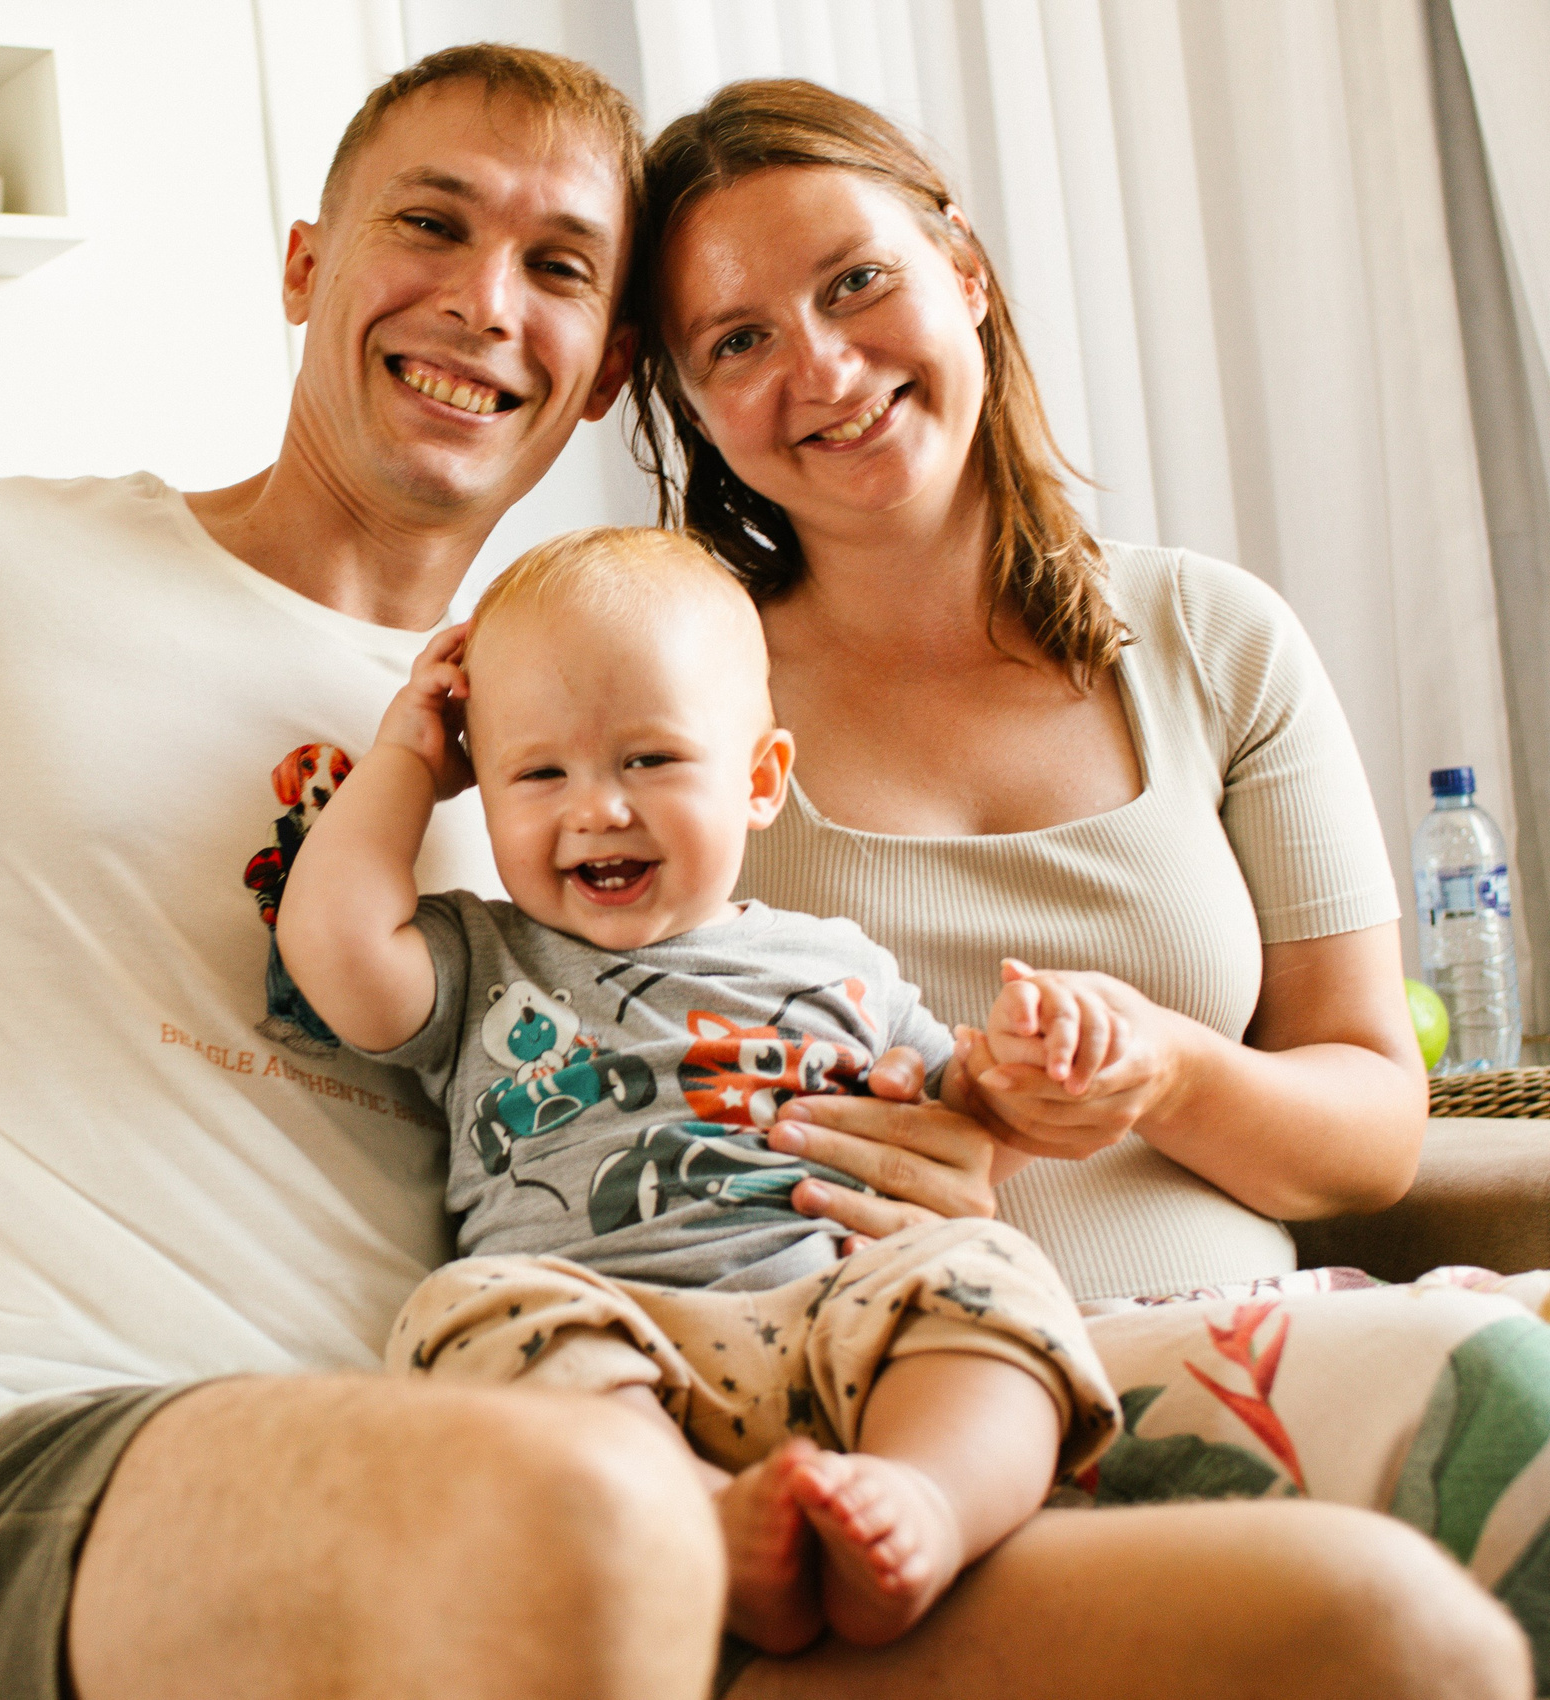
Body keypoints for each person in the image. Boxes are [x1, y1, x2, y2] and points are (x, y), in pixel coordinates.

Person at [0, 46, 1529, 1700]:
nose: (483, 301)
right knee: (578, 1520)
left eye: (560, 269)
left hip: (619, 1492)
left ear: (600, 375)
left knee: (1370, 1630)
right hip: (67, 1476)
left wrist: (930, 1155)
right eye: (427, 226)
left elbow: (767, 1067)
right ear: (305, 269)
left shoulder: (594, 717)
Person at [626, 72, 1550, 1682]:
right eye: (738, 339)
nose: (821, 367)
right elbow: (588, 1092)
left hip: (1262, 1330)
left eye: (857, 281)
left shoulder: (1212, 637)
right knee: (1505, 1392)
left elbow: (1374, 1123)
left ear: (965, 274)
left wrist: (1168, 1075)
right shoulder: (674, 707)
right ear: (690, 404)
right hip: (920, 1412)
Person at [277, 523, 1123, 1654]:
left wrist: (1019, 1064)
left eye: (650, 760)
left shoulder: (836, 962)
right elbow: (330, 943)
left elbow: (960, 1128)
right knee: (461, 1310)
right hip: (608, 1343)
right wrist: (405, 764)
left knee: (990, 1271)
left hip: (839, 1323)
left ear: (760, 780)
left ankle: (924, 1497)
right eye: (538, 773)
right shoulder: (482, 958)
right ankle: (703, 1519)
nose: (597, 809)